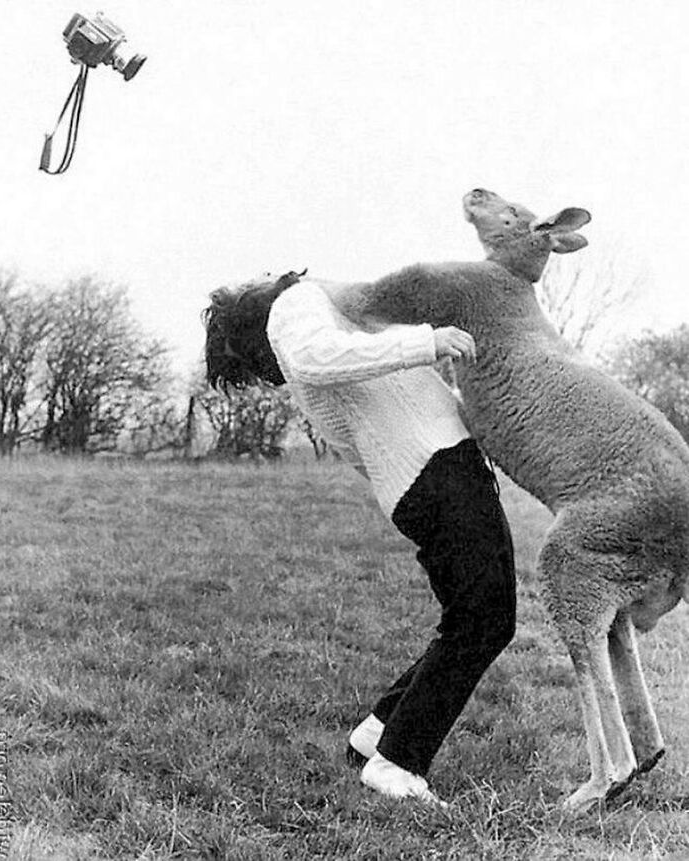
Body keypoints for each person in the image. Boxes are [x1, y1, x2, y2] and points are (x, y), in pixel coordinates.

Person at [204, 270, 516, 805]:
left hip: (426, 478)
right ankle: (398, 764)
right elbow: (316, 356)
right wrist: (427, 342)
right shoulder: (294, 305)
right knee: (483, 619)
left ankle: (377, 733)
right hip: (436, 470)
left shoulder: (314, 321)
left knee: (474, 618)